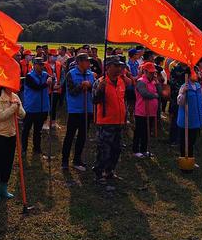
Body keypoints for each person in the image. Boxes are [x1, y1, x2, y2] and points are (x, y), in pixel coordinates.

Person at [92, 56, 129, 189]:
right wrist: (100, 90)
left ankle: (109, 171)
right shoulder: (101, 82)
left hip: (119, 121)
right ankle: (98, 173)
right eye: (116, 66)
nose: (119, 68)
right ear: (108, 67)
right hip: (106, 122)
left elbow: (123, 100)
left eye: (120, 66)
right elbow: (95, 101)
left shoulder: (121, 81)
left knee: (117, 148)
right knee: (104, 149)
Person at [0, 86, 25, 202]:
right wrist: (13, 107)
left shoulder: (15, 97)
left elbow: (23, 114)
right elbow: (0, 116)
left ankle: (3, 188)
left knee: (8, 162)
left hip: (11, 134)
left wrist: (18, 106)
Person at [62, 53, 95, 171]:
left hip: (87, 109)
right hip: (75, 110)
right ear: (80, 62)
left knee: (82, 136)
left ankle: (77, 159)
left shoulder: (91, 74)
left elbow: (94, 90)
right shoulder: (71, 74)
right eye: (86, 61)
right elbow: (71, 92)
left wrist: (90, 86)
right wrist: (82, 86)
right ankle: (65, 160)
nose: (89, 64)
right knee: (70, 136)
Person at [21, 57, 51, 155]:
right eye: (39, 64)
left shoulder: (45, 75)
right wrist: (47, 83)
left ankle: (37, 148)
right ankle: (24, 148)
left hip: (42, 108)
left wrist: (52, 79)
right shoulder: (29, 76)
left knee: (38, 130)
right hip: (31, 108)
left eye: (42, 64)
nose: (41, 66)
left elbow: (52, 79)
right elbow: (36, 87)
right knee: (26, 129)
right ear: (34, 65)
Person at [133, 62, 161, 157]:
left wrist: (157, 84)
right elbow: (144, 94)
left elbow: (160, 93)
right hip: (141, 111)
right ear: (145, 71)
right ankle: (136, 150)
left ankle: (144, 150)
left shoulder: (153, 82)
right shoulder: (141, 81)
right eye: (150, 72)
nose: (153, 74)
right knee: (140, 131)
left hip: (151, 111)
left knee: (147, 131)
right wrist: (155, 95)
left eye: (153, 72)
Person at [177, 71, 202, 163]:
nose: (197, 75)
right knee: (184, 141)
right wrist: (184, 93)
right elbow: (180, 102)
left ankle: (191, 159)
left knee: (192, 141)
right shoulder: (184, 86)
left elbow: (201, 100)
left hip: (195, 118)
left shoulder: (198, 86)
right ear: (189, 76)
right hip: (186, 118)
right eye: (194, 73)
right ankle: (183, 159)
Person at [44, 49, 65, 130]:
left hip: (57, 89)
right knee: (46, 106)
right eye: (54, 56)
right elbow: (44, 77)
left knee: (54, 106)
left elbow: (63, 76)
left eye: (56, 56)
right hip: (47, 89)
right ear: (49, 56)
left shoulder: (59, 65)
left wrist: (59, 85)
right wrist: (52, 86)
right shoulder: (44, 65)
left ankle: (53, 122)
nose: (55, 57)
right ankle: (45, 122)